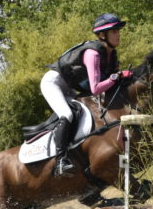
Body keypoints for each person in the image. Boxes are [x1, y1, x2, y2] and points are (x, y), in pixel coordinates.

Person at [42, 13, 133, 176]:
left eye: (118, 31)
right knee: (67, 114)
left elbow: (108, 86)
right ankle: (60, 161)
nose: (118, 35)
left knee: (86, 115)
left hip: (69, 87)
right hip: (53, 82)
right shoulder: (93, 54)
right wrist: (117, 76)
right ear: (102, 35)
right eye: (114, 31)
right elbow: (96, 88)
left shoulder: (111, 55)